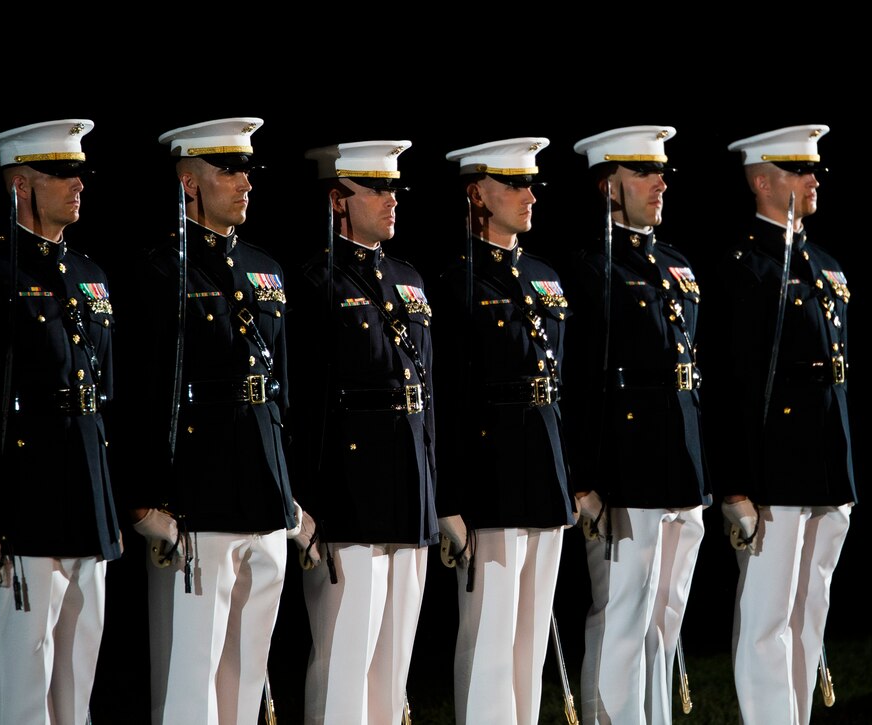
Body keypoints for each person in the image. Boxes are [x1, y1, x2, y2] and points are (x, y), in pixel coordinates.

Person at [123, 117, 312, 725]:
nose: (244, 182)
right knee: (191, 675)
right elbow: (140, 391)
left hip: (263, 489)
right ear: (189, 184)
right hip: (196, 497)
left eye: (246, 171)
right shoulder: (160, 271)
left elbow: (281, 392)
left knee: (247, 669)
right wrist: (143, 499)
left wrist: (288, 493)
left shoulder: (265, 267)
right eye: (227, 170)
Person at [0, 119, 122, 724]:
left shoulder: (91, 276)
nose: (77, 184)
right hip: (23, 497)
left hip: (86, 493)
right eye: (60, 173)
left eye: (77, 172)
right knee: (24, 679)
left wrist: (111, 501)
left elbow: (107, 398)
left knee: (78, 675)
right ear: (18, 184)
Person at [707, 124, 856, 725]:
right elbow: (732, 380)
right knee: (768, 618)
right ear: (763, 181)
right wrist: (736, 484)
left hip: (826, 464)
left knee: (809, 614)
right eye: (799, 171)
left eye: (811, 170)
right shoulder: (745, 265)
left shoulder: (823, 263)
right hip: (775, 467)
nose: (813, 179)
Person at [565, 125, 712, 725]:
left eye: (661, 172)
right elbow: (574, 380)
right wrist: (581, 477)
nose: (660, 182)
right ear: (608, 185)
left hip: (681, 458)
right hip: (626, 464)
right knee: (621, 614)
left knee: (664, 619)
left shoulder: (673, 263)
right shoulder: (589, 268)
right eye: (644, 173)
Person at [292, 140, 437, 725]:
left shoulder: (407, 276)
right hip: (347, 493)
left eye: (392, 188)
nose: (390, 199)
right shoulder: (313, 281)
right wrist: (304, 500)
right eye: (375, 188)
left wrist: (434, 491)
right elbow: (303, 401)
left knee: (393, 664)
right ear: (337, 200)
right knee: (343, 658)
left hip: (410, 484)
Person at [435, 137, 575, 724]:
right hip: (488, 474)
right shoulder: (453, 280)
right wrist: (448, 501)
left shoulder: (543, 275)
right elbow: (445, 396)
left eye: (530, 183)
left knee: (531, 640)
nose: (529, 195)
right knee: (490, 636)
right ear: (477, 193)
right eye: (514, 184)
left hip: (544, 465)